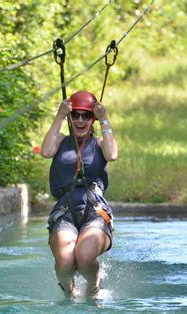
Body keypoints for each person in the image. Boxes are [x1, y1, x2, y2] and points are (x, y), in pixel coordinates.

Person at [41, 90, 118, 297]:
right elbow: (46, 151)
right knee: (65, 261)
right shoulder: (61, 141)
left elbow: (112, 154)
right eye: (75, 115)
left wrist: (105, 120)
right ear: (70, 118)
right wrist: (59, 115)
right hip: (65, 210)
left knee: (84, 257)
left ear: (92, 119)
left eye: (86, 115)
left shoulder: (99, 144)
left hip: (95, 211)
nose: (80, 120)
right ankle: (70, 294)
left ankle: (93, 288)